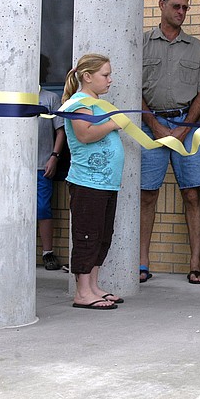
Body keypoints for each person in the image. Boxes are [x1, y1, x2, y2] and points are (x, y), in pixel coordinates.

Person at [140, 0, 200, 285]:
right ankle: (142, 264)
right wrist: (154, 123)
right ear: (161, 5)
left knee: (192, 194)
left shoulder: (196, 48)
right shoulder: (141, 43)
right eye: (176, 6)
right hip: (150, 125)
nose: (182, 12)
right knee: (147, 195)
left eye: (186, 7)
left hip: (187, 125)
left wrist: (185, 128)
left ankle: (195, 265)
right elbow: (133, 87)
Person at [62, 53, 125, 310]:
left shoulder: (97, 102)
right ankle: (82, 292)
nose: (110, 80)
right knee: (87, 236)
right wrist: (112, 124)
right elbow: (84, 134)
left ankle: (94, 286)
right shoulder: (79, 102)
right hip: (88, 182)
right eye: (105, 75)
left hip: (106, 183)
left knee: (102, 236)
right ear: (87, 77)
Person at [37, 82, 66, 271]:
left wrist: (54, 157)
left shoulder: (50, 98)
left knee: (42, 208)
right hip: (15, 166)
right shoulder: (13, 95)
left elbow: (60, 130)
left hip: (41, 165)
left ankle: (48, 253)